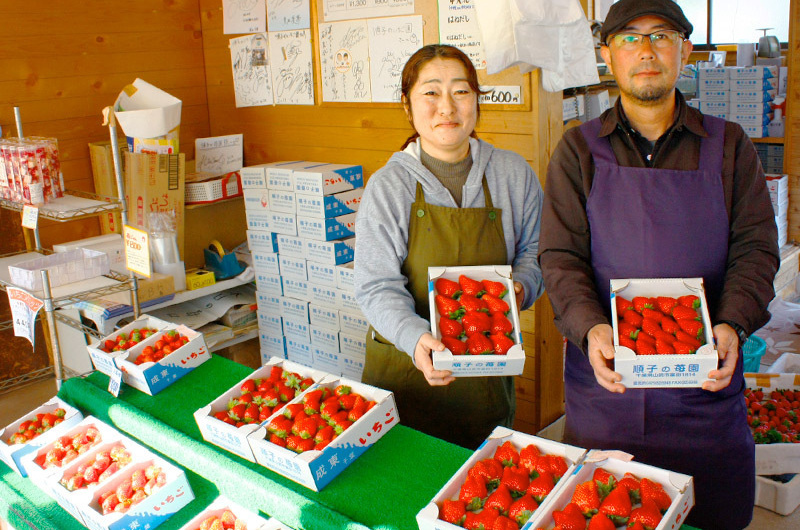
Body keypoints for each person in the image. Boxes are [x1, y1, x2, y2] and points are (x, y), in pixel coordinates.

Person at [538, 1, 779, 528]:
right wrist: (590, 326)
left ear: (685, 50)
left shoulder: (729, 145)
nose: (646, 51)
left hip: (705, 389)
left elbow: (757, 249)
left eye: (661, 36)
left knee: (713, 516)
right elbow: (559, 256)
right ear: (607, 55)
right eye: (628, 38)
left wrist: (732, 322)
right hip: (608, 390)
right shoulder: (577, 150)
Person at [354, 44, 545, 449]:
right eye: (431, 92)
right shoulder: (389, 186)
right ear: (407, 106)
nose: (447, 107)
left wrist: (524, 285)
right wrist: (415, 337)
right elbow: (375, 286)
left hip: (486, 371)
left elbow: (536, 252)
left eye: (461, 91)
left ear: (477, 100)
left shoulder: (514, 174)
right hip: (404, 369)